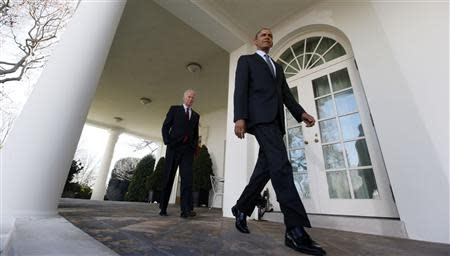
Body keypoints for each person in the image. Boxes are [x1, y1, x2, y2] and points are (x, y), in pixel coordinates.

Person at [232, 28, 326, 255]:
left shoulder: (278, 67)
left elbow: (286, 95)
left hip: (276, 123)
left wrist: (301, 113)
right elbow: (240, 90)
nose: (267, 37)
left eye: (270, 35)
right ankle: (294, 230)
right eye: (263, 34)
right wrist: (240, 118)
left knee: (265, 169)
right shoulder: (246, 61)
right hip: (259, 119)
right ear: (255, 40)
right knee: (282, 167)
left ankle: (241, 207)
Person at [159, 89, 200, 218]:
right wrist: (168, 141)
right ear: (184, 97)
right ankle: (163, 207)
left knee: (187, 179)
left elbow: (195, 134)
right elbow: (165, 126)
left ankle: (186, 210)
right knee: (169, 176)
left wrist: (194, 147)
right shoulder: (174, 110)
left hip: (187, 151)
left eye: (193, 98)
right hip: (173, 148)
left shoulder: (195, 116)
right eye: (189, 97)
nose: (190, 99)